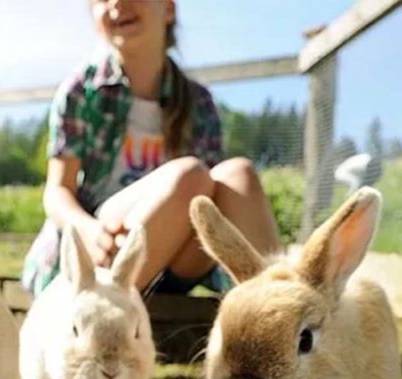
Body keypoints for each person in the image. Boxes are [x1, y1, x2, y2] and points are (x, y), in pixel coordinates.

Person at [22, 0, 281, 296]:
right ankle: (93, 305)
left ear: (168, 9)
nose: (118, 3)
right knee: (192, 175)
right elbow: (57, 192)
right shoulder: (82, 91)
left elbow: (214, 206)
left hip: (173, 257)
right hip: (104, 250)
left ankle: (276, 309)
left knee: (239, 175)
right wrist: (88, 231)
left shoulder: (199, 104)